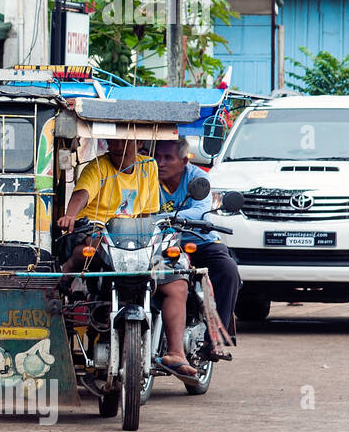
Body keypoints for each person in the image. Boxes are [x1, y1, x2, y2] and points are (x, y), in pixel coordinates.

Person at [56, 139, 193, 381]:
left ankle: (176, 352)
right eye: (113, 141)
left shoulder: (148, 166)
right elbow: (82, 193)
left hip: (137, 239)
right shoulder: (98, 167)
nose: (117, 147)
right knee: (79, 257)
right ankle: (55, 296)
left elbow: (150, 213)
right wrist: (70, 215)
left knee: (177, 283)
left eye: (124, 142)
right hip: (99, 234)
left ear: (139, 142)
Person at [154, 139, 239, 359]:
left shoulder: (198, 179)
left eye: (167, 158)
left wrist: (163, 218)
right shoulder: (146, 177)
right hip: (159, 245)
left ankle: (214, 342)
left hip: (199, 241)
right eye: (157, 157)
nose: (160, 163)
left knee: (228, 270)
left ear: (184, 161)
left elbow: (201, 210)